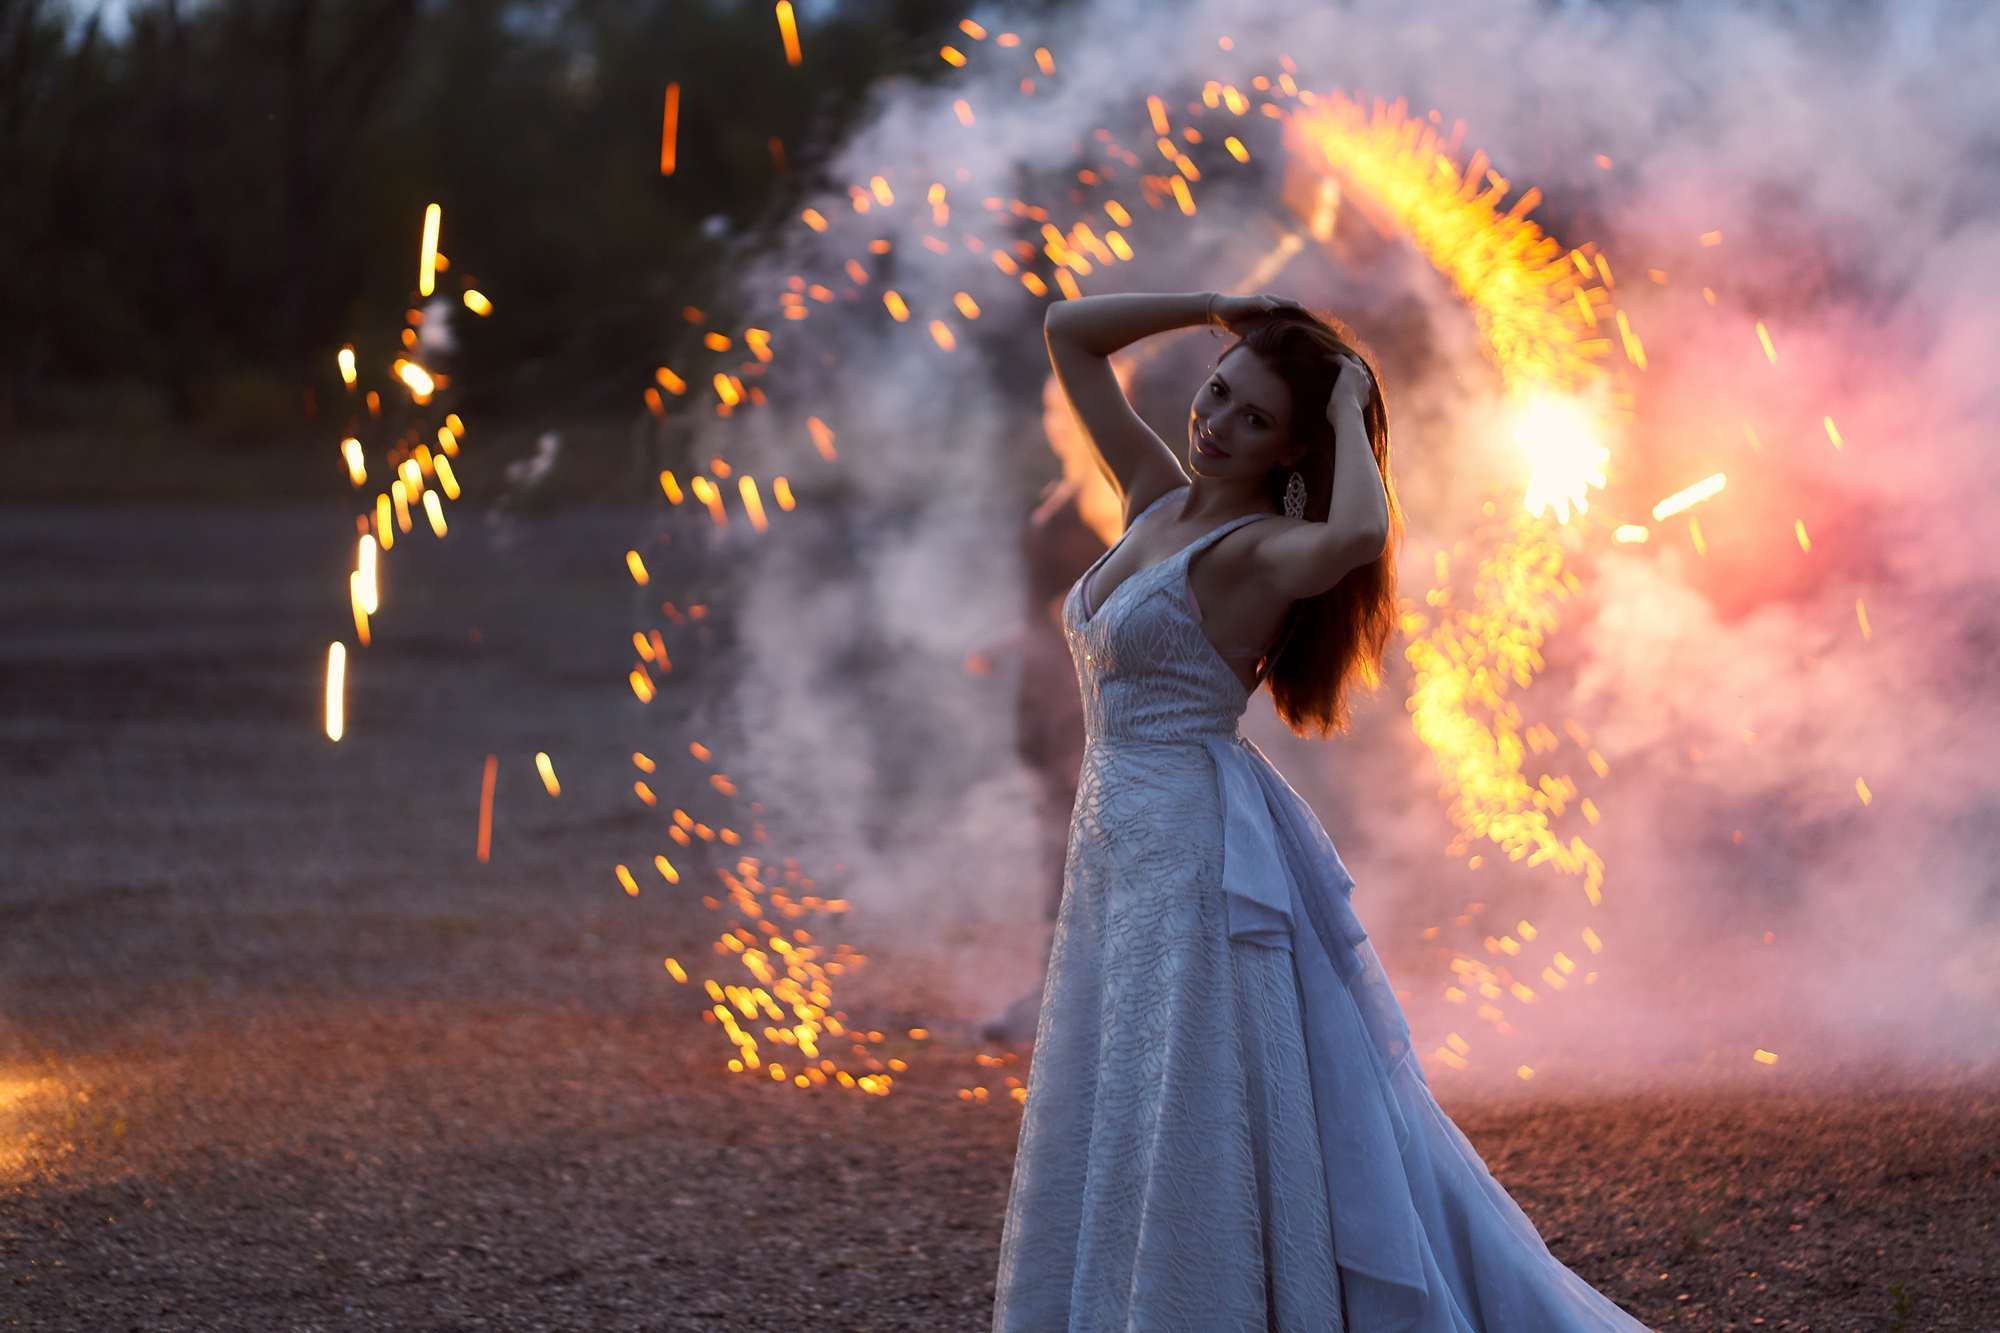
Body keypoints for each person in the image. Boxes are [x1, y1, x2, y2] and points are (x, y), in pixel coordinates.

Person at [991, 291, 1651, 1331]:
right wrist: (1214, 309)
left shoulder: (1259, 550)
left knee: (1194, 1098)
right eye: (1215, 394)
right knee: (1127, 1087)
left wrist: (1347, 403)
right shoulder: (1155, 500)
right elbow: (1069, 331)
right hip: (1119, 838)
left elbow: (1355, 534)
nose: (1213, 423)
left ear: (1290, 445)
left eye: (1252, 418)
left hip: (1190, 848)